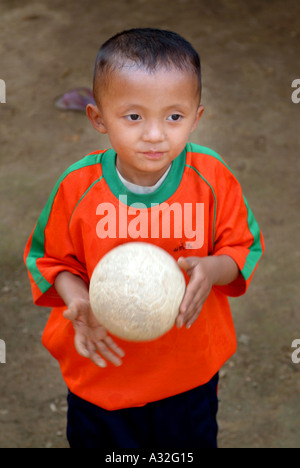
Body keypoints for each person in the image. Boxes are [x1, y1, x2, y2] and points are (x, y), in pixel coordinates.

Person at [24, 28, 264, 449]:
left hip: (186, 376)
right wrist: (78, 299)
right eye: (133, 116)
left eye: (174, 117)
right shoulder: (76, 187)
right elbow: (52, 261)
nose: (155, 134)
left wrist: (211, 267)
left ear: (197, 117)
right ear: (98, 118)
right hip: (101, 375)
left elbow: (241, 248)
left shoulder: (212, 177)